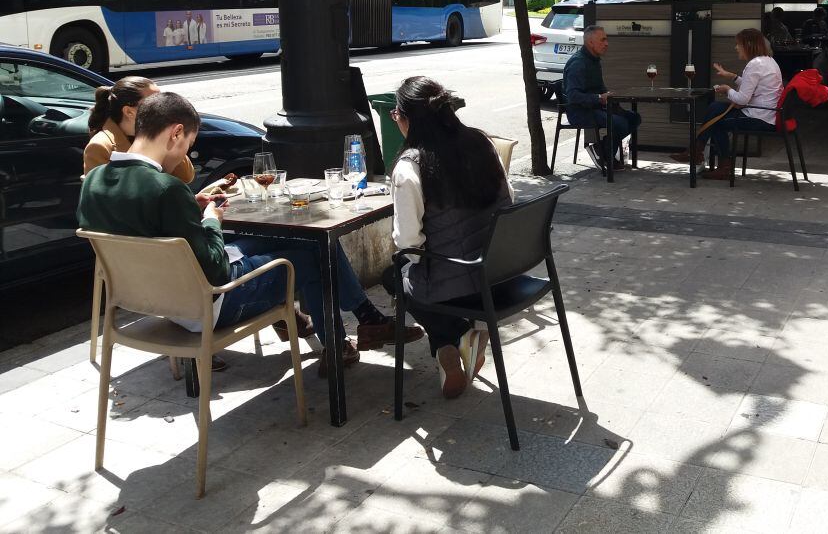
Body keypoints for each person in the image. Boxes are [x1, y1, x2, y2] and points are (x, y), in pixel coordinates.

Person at [78, 92, 422, 377]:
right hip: (207, 303)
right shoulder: (167, 189)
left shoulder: (94, 182)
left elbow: (143, 230)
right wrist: (211, 218)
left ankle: (356, 330)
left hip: (159, 300)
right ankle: (344, 337)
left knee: (296, 240)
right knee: (310, 249)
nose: (185, 154)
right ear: (176, 133)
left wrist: (193, 208)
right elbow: (215, 270)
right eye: (188, 145)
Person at [383, 77, 513, 399]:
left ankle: (453, 336)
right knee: (414, 272)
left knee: (394, 274)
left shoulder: (410, 167)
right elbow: (508, 200)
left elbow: (409, 245)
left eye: (396, 114)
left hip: (457, 282)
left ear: (408, 118)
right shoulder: (482, 143)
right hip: (499, 272)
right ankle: (451, 344)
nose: (395, 120)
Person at [671, 28, 783, 181]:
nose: (736, 48)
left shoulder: (754, 65)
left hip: (760, 117)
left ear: (748, 45)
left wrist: (727, 89)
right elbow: (753, 86)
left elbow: (742, 99)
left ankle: (716, 163)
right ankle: (698, 151)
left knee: (717, 122)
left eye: (738, 44)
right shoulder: (768, 61)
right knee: (715, 108)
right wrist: (732, 77)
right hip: (767, 114)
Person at [84, 77, 196, 183]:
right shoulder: (100, 146)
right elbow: (108, 198)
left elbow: (186, 177)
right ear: (129, 112)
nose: (163, 107)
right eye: (152, 104)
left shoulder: (159, 134)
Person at [562, 25, 642, 170]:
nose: (607, 43)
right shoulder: (578, 63)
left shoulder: (595, 60)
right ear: (590, 42)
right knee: (619, 123)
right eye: (603, 40)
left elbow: (599, 88)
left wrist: (609, 97)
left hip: (596, 107)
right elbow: (573, 95)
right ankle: (605, 155)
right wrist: (599, 98)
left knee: (634, 118)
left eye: (606, 40)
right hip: (579, 112)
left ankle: (602, 151)